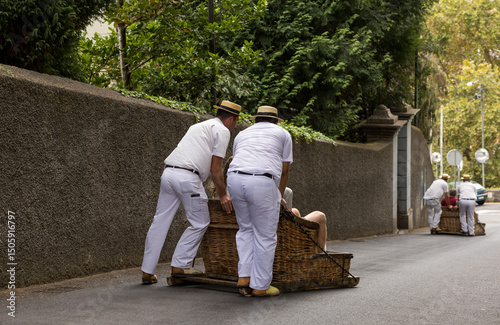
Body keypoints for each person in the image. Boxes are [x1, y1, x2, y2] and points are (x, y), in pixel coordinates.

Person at [141, 100, 241, 284]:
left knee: (160, 221)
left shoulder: (198, 126)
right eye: (236, 122)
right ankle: (180, 264)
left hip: (168, 173)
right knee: (201, 221)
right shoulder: (222, 131)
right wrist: (223, 194)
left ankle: (147, 271)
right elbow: (216, 168)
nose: (234, 127)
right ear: (231, 119)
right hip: (188, 178)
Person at [227, 106, 292, 297]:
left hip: (234, 178)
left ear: (257, 119)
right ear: (275, 120)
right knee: (265, 235)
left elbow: (237, 158)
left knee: (245, 228)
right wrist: (279, 196)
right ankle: (260, 286)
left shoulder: (242, 134)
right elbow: (285, 169)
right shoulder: (283, 133)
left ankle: (244, 277)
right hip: (262, 180)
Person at [283, 187, 327, 253]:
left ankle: (299, 244)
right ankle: (320, 250)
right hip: (284, 228)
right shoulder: (284, 191)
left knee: (295, 211)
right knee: (321, 216)